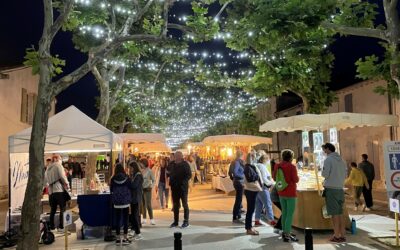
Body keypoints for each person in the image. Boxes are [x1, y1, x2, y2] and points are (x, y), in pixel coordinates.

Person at [321, 143, 347, 243]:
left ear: (328, 149)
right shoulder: (341, 160)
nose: (324, 152)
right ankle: (343, 235)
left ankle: (336, 235)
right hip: (340, 188)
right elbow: (345, 174)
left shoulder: (328, 160)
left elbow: (325, 174)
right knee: (340, 213)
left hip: (331, 189)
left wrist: (324, 175)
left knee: (334, 214)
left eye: (324, 150)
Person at [273, 150, 299, 242]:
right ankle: (287, 233)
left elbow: (274, 177)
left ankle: (284, 231)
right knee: (289, 214)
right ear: (291, 157)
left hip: (281, 192)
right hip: (291, 192)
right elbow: (296, 179)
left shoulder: (277, 165)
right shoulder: (292, 167)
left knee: (284, 212)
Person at [45, 154, 70, 232]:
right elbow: (62, 177)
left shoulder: (47, 168)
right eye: (60, 159)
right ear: (58, 159)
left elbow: (44, 181)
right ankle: (61, 227)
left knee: (53, 209)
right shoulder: (58, 165)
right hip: (59, 190)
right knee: (63, 208)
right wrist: (67, 184)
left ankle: (52, 227)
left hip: (51, 191)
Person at [110, 163, 132, 245]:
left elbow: (111, 189)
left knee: (118, 219)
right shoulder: (127, 178)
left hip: (117, 202)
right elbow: (130, 187)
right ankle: (125, 238)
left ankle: (118, 239)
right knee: (126, 219)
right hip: (125, 201)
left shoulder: (112, 179)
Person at [169, 151, 192, 228]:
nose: (176, 157)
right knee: (175, 205)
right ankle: (176, 221)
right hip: (174, 188)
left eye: (178, 156)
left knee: (185, 204)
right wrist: (170, 179)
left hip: (182, 188)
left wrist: (183, 182)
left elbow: (189, 175)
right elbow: (169, 172)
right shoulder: (172, 164)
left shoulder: (185, 164)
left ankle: (186, 221)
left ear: (181, 156)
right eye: (175, 156)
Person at [254, 155, 275, 226]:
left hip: (256, 187)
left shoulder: (256, 165)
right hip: (263, 188)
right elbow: (264, 178)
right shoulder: (262, 166)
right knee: (268, 204)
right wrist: (272, 183)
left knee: (258, 205)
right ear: (265, 160)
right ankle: (271, 220)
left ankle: (257, 220)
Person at [243, 162, 263, 235]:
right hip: (250, 190)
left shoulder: (250, 166)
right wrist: (257, 176)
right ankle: (248, 228)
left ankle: (249, 227)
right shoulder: (248, 167)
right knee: (250, 210)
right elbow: (250, 178)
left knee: (251, 210)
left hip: (251, 190)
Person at [229, 150, 245, 223]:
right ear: (241, 155)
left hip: (237, 182)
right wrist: (242, 177)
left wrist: (233, 179)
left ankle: (238, 215)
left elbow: (230, 172)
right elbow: (235, 172)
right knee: (238, 200)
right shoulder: (237, 162)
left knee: (239, 199)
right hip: (239, 182)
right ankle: (235, 216)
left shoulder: (234, 161)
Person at [129, 161, 144, 241]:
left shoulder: (138, 176)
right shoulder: (135, 175)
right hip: (134, 198)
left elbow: (134, 186)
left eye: (130, 168)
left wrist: (129, 182)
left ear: (134, 168)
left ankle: (138, 233)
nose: (129, 170)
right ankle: (135, 231)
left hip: (136, 198)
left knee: (135, 216)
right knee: (133, 216)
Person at [139, 158, 155, 225]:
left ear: (144, 163)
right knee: (142, 204)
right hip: (141, 189)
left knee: (148, 204)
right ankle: (144, 218)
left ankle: (152, 219)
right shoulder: (140, 171)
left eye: (141, 163)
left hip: (148, 189)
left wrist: (151, 185)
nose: (140, 164)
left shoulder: (150, 171)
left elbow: (153, 180)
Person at [269, 160, 282, 234]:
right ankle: (278, 227)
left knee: (285, 212)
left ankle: (278, 227)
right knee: (285, 212)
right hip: (276, 198)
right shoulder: (280, 179)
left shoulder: (278, 177)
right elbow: (280, 188)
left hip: (275, 197)